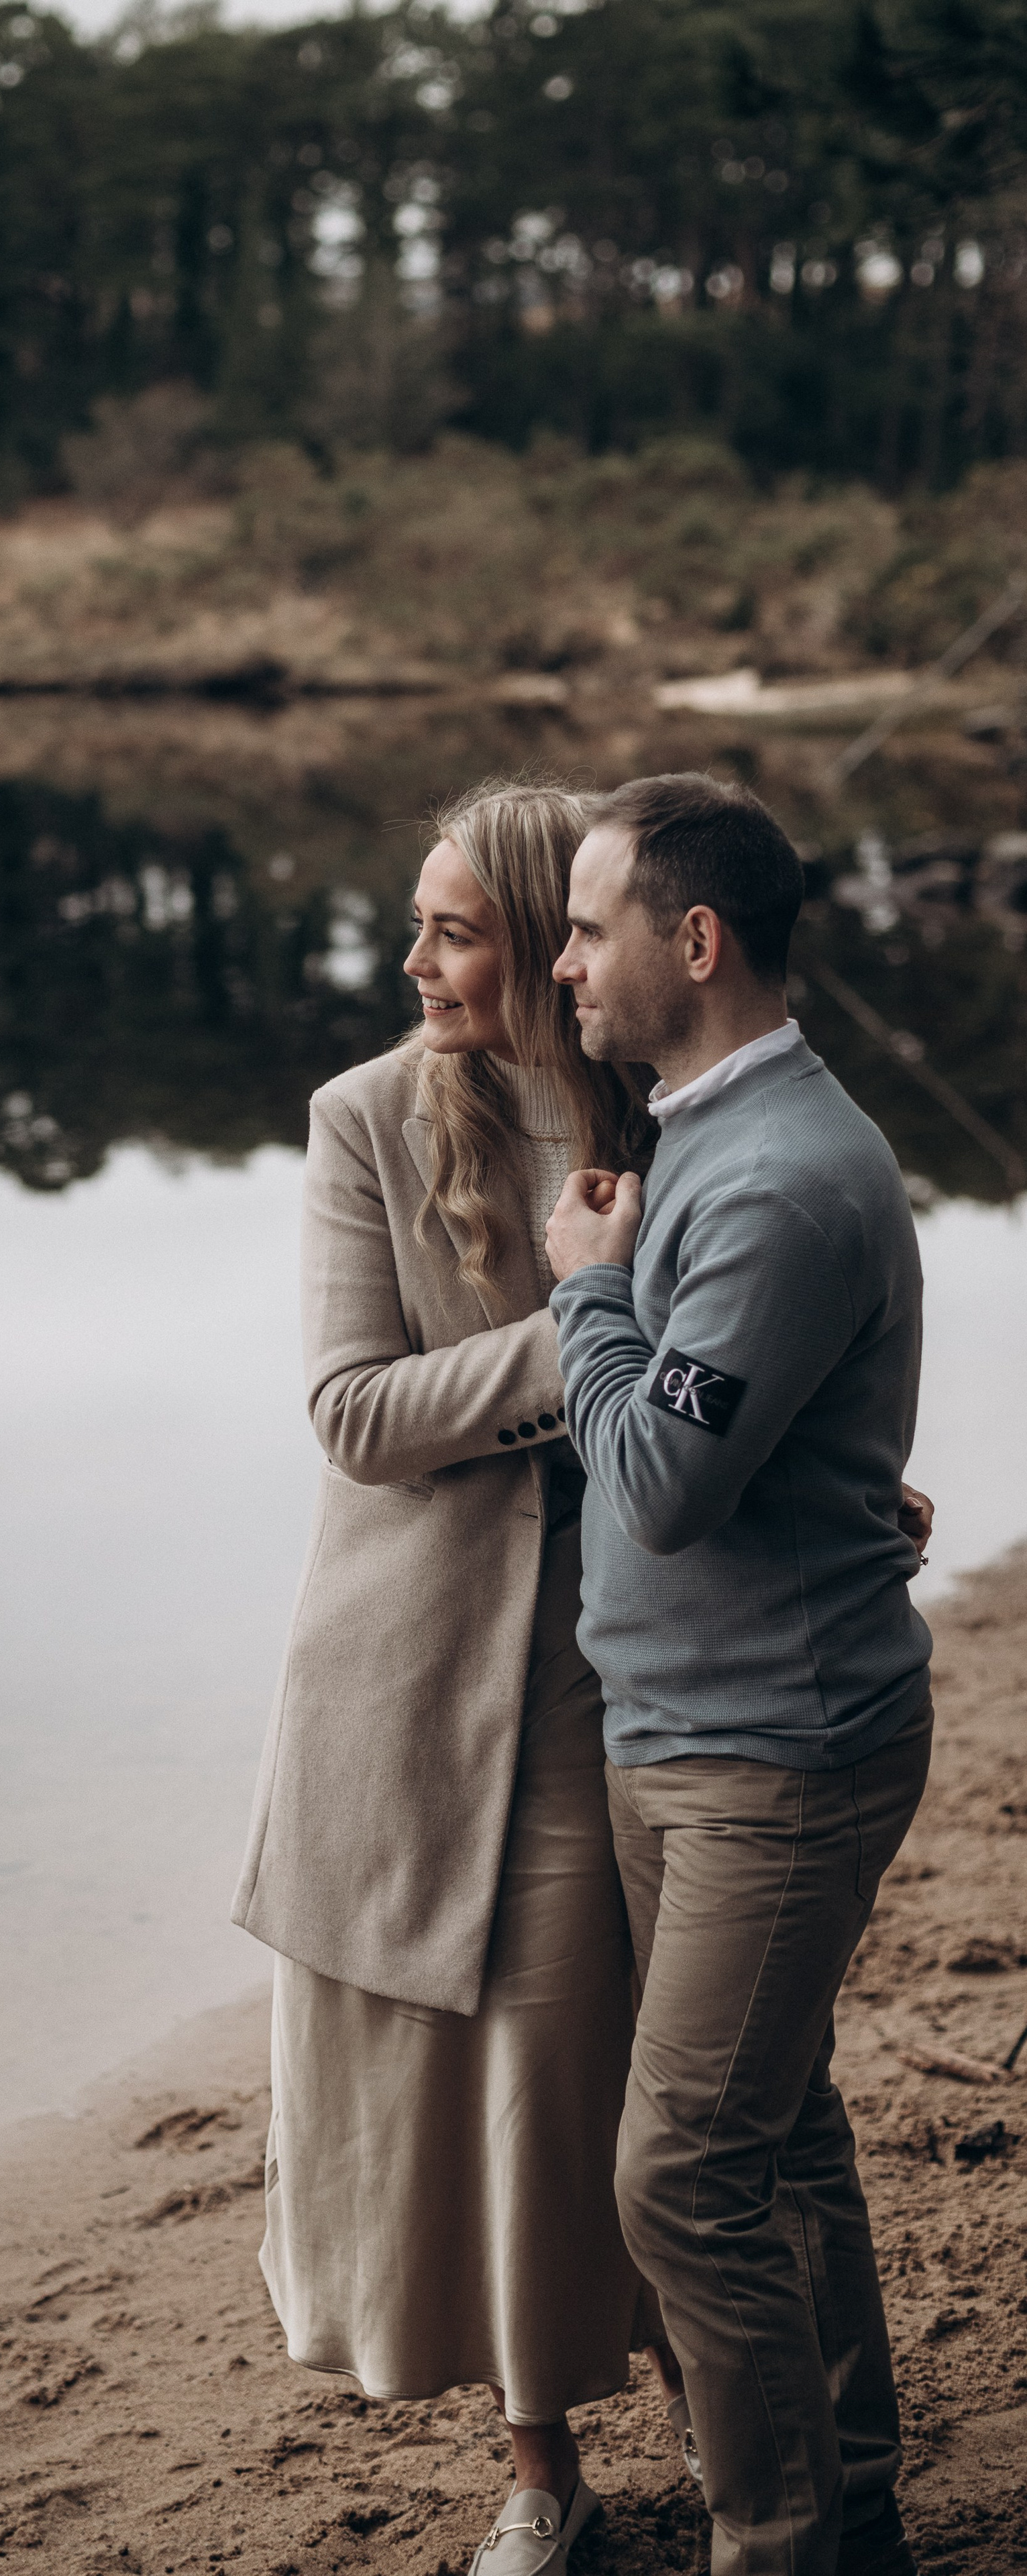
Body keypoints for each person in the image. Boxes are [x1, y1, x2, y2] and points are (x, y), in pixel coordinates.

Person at [231, 780, 690, 2573]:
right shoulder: (360, 1123)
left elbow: (739, 1351)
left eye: (458, 930)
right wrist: (577, 1320)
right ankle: (541, 2476)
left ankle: (728, 2414)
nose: (415, 961)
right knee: (480, 2080)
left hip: (628, 1660)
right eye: (412, 925)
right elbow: (353, 1419)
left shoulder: (658, 1103)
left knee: (607, 2069)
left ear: (558, 942)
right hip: (411, 1683)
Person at [545, 771, 934, 2576]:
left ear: (691, 943)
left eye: (587, 928)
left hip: (773, 1753)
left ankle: (784, 2550)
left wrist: (587, 1292)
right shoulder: (712, 1117)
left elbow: (663, 1486)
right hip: (693, 1729)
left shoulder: (775, 1176)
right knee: (775, 2138)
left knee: (684, 2179)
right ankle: (848, 2497)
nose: (564, 967)